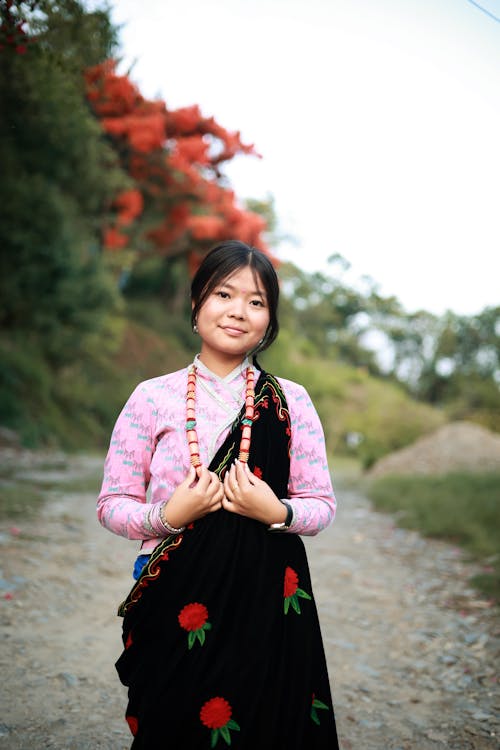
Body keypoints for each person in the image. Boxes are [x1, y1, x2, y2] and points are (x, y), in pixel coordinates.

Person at [97, 240, 340, 749]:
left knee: (259, 720)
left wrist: (275, 511)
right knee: (172, 717)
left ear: (269, 320)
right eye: (224, 293)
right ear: (196, 302)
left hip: (264, 594)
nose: (238, 311)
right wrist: (168, 514)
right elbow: (112, 504)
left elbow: (321, 505)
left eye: (256, 302)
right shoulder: (152, 397)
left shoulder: (290, 401)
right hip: (171, 589)